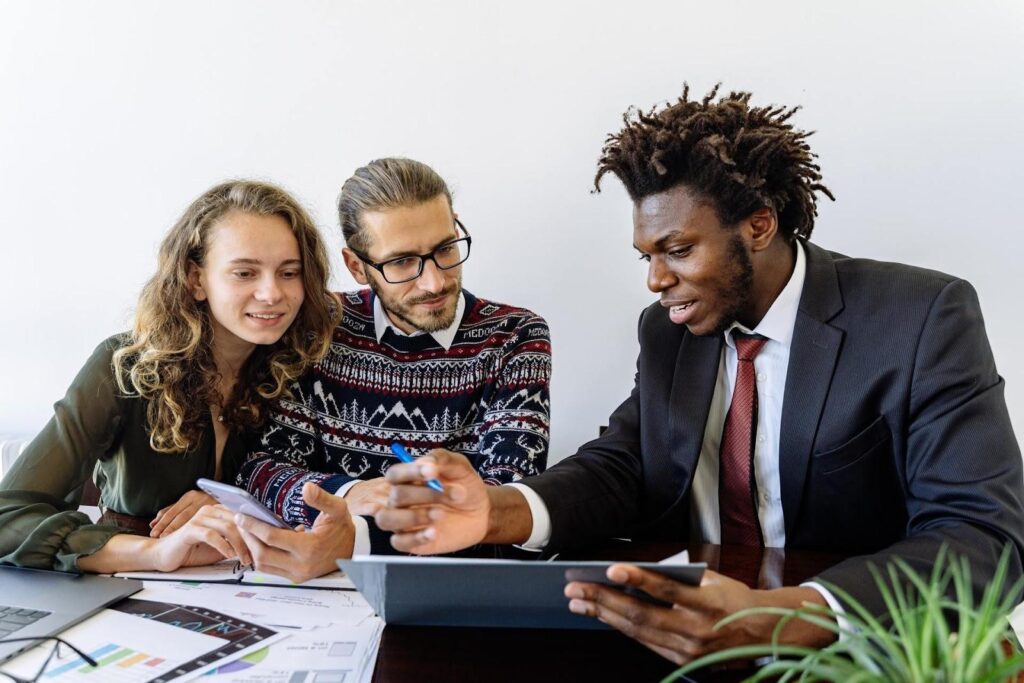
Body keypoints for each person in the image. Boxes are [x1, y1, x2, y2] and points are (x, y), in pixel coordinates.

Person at [375, 86, 1024, 664]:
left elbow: (985, 535)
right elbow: (623, 465)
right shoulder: (668, 331)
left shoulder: (921, 317)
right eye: (647, 256)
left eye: (678, 250)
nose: (655, 279)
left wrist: (794, 613)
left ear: (759, 225)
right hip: (683, 642)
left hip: (855, 649)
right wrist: (498, 511)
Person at [233, 157, 552, 582]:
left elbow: (503, 505)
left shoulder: (516, 336)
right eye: (401, 262)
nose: (435, 282)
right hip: (324, 589)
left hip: (457, 589)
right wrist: (352, 492)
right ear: (357, 267)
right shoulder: (317, 326)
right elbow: (260, 468)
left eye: (445, 249)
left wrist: (350, 537)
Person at [0, 180, 339, 574]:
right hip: (135, 585)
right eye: (245, 273)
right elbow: (8, 519)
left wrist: (237, 502)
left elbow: (334, 491)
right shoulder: (123, 365)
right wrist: (157, 553)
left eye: (288, 272)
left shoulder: (306, 364)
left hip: (274, 587)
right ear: (196, 280)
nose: (271, 293)